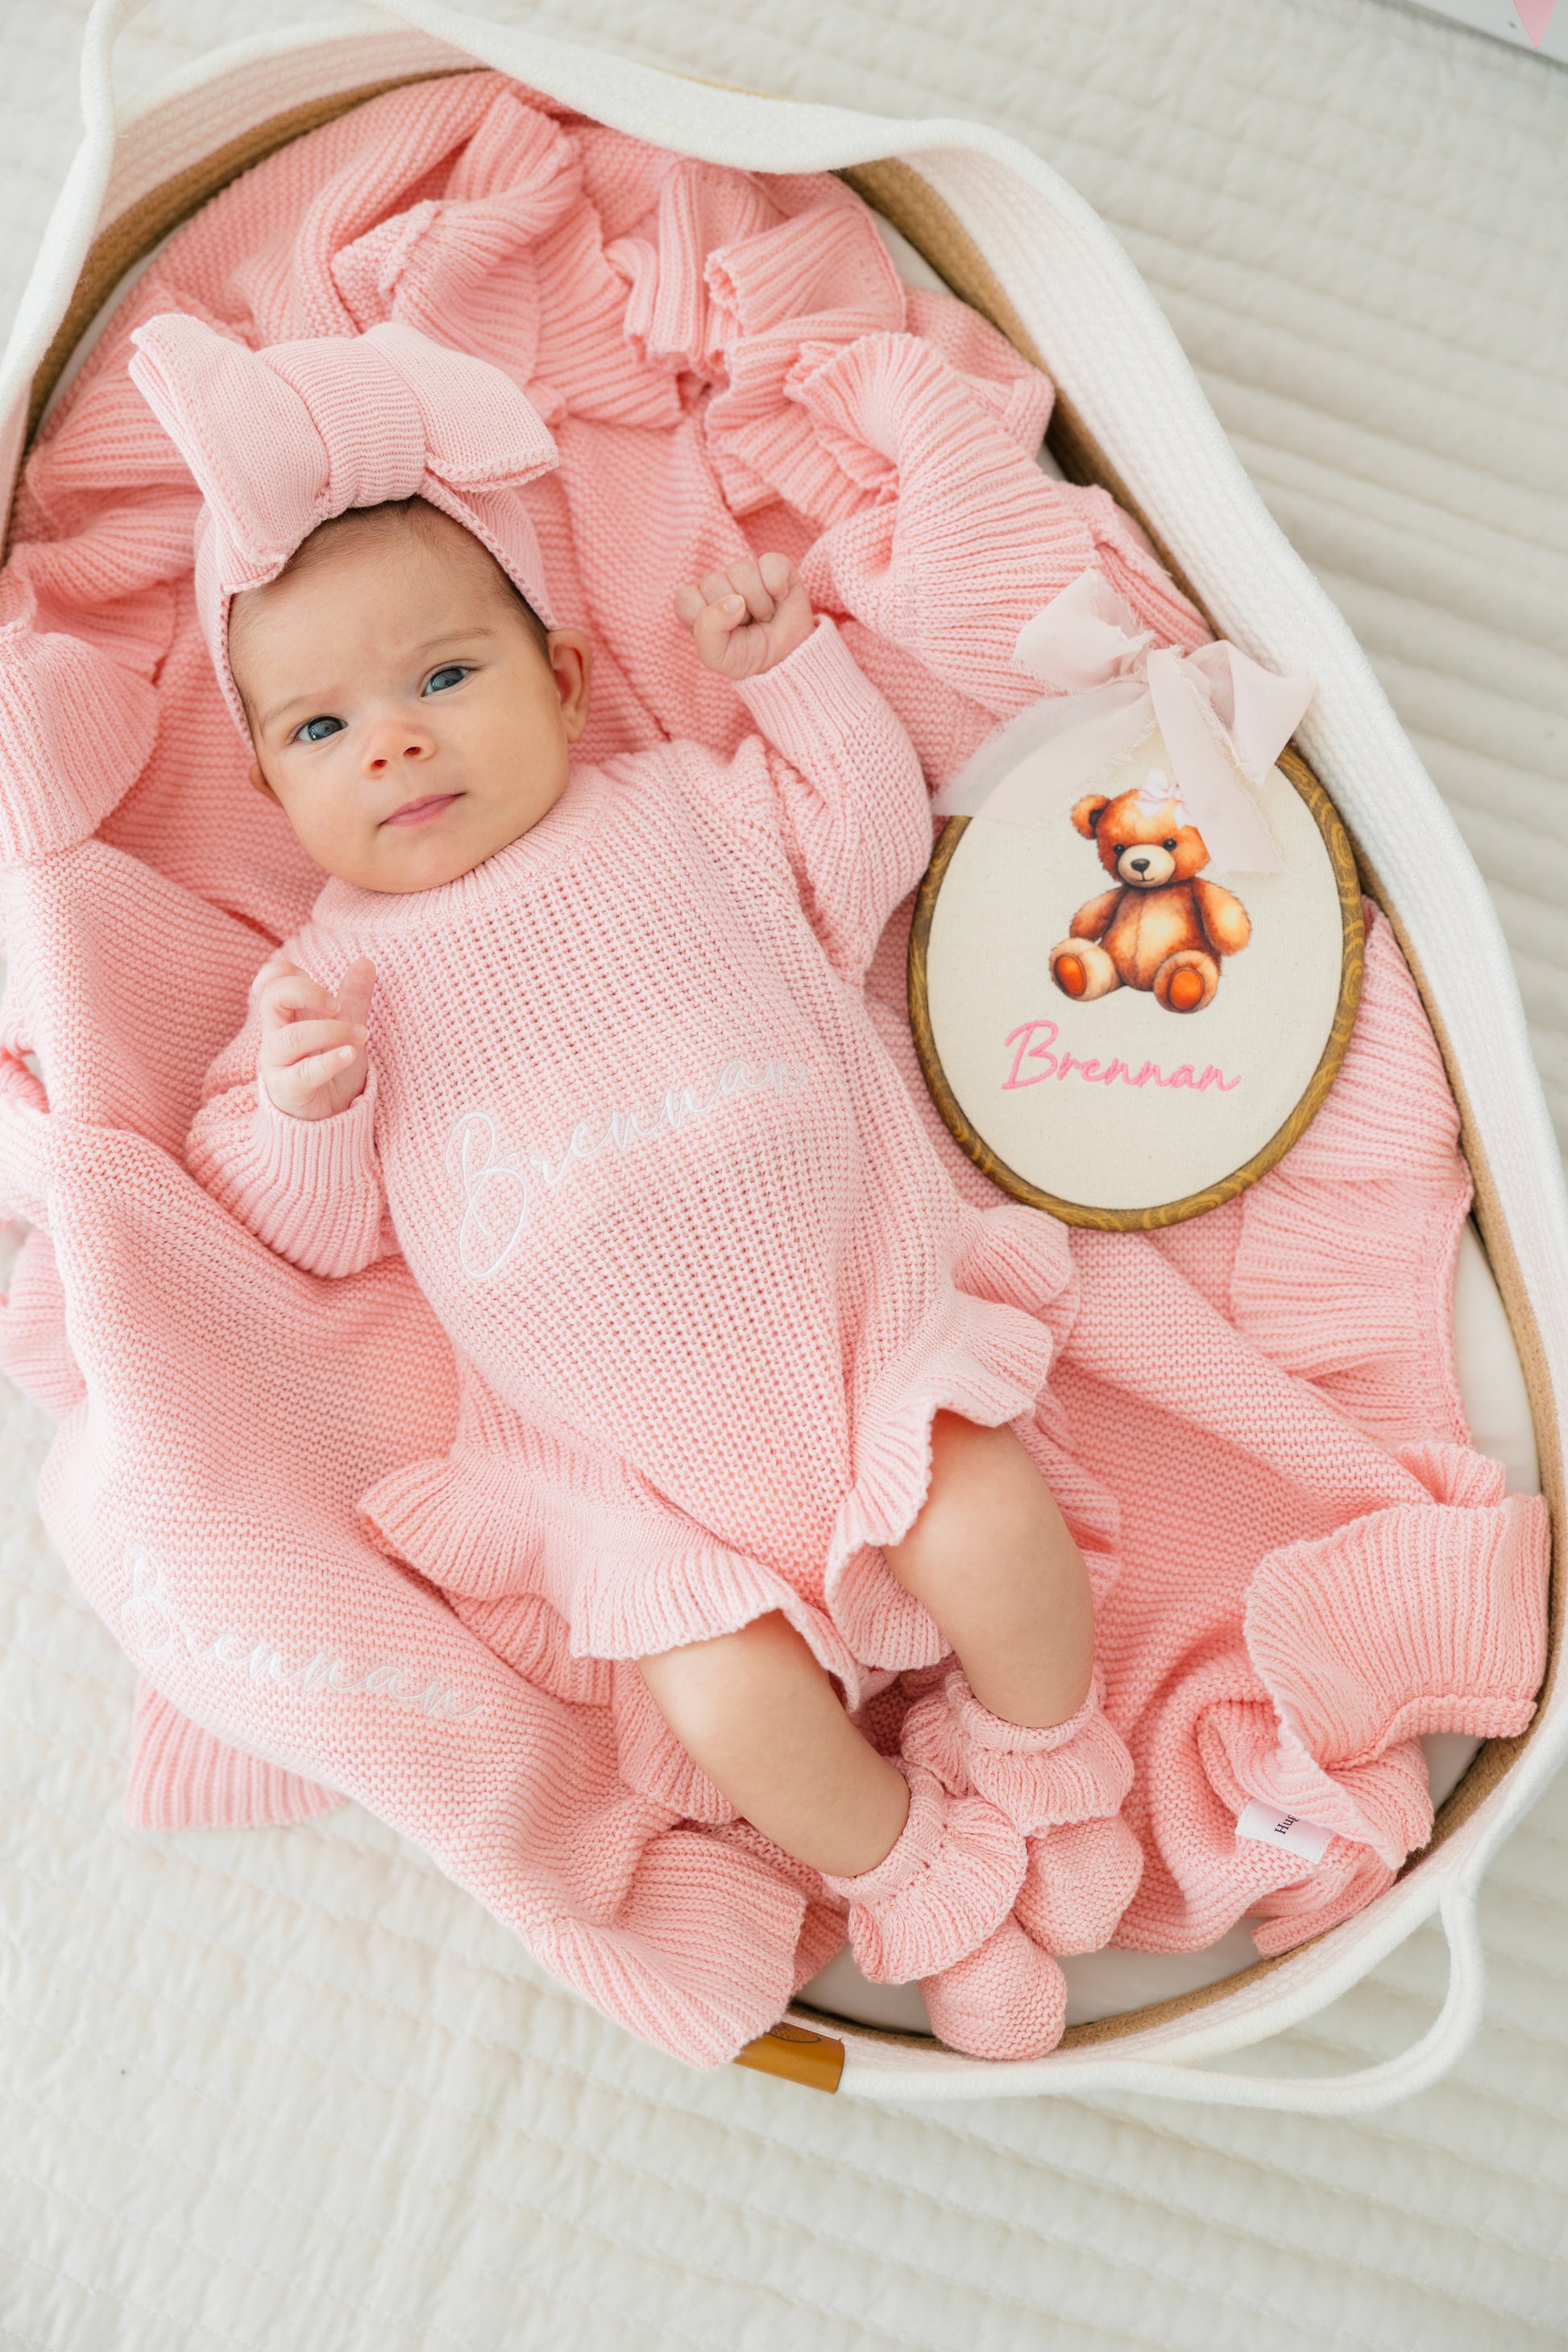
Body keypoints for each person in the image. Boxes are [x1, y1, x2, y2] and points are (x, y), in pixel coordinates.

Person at [144, 314, 1137, 2056]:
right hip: (631, 1473)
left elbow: (864, 852)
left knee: (990, 1520)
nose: (394, 741)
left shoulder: (681, 807)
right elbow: (300, 1225)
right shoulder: (322, 981)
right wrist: (304, 1102)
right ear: (269, 784)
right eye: (322, 724)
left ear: (570, 685)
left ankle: (1047, 1761)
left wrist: (793, 679)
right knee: (721, 1691)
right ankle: (925, 1876)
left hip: (859, 1339)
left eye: (445, 678)